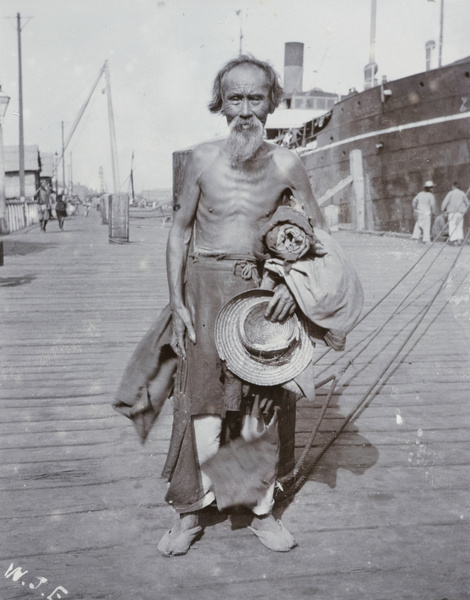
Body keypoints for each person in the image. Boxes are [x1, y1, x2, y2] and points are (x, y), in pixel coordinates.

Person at [114, 55, 363, 557]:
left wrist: (292, 290)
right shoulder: (201, 158)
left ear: (271, 103)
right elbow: (179, 232)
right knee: (200, 402)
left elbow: (319, 236)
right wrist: (176, 301)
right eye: (235, 99)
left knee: (261, 404)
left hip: (262, 294)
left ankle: (257, 510)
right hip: (203, 289)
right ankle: (190, 511)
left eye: (255, 99)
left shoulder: (288, 163)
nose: (245, 111)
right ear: (220, 103)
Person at [441, 182, 469, 246]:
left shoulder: (450, 193)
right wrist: (465, 210)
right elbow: (467, 203)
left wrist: (443, 210)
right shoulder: (462, 193)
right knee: (459, 226)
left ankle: (454, 240)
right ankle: (459, 239)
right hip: (460, 212)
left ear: (453, 186)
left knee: (452, 226)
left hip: (452, 212)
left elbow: (445, 202)